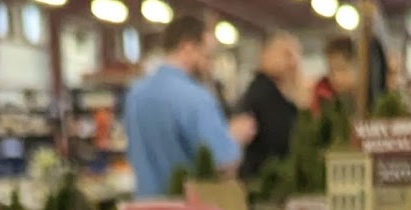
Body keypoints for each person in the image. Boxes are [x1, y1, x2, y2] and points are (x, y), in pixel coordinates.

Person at [124, 14, 255, 200]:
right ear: (188, 47)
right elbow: (223, 163)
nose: (209, 65)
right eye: (207, 56)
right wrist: (234, 137)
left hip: (143, 208)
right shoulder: (196, 97)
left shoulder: (135, 94)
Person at [235, 33, 302, 185]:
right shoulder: (262, 96)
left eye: (297, 55)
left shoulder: (282, 96)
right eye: (287, 54)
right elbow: (280, 142)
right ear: (265, 54)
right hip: (264, 182)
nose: (293, 62)